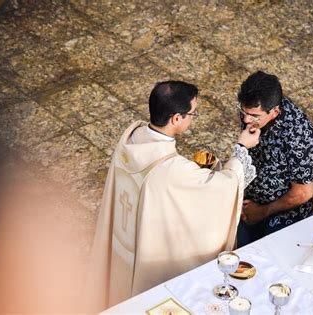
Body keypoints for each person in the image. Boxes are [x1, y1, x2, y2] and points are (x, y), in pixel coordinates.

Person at [88, 80, 260, 311]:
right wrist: (241, 148)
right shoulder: (170, 169)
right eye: (192, 113)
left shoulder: (133, 137)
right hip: (144, 253)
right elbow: (222, 187)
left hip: (123, 239)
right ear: (176, 118)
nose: (192, 118)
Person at [236, 71, 313, 247]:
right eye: (243, 112)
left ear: (274, 111)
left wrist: (261, 211)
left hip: (283, 215)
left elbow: (303, 192)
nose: (246, 120)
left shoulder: (298, 135)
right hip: (249, 203)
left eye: (254, 116)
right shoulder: (252, 112)